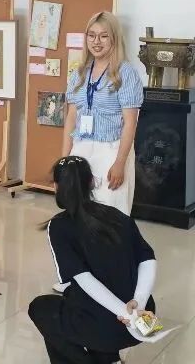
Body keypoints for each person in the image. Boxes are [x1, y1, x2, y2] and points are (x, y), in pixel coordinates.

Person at [29, 156, 157, 364]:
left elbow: (84, 279)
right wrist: (138, 304)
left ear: (56, 187)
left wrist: (124, 313)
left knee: (41, 308)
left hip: (110, 324)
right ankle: (109, 358)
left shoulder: (59, 226)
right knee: (79, 301)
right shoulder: (117, 216)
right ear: (91, 182)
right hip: (144, 318)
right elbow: (148, 258)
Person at [54, 11, 143, 294]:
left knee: (111, 215)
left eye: (104, 36)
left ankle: (116, 279)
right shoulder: (79, 73)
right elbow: (71, 118)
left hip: (111, 148)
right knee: (77, 213)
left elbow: (130, 122)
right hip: (82, 149)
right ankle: (79, 277)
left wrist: (120, 163)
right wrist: (63, 163)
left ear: (114, 39)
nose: (97, 41)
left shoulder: (126, 73)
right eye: (92, 35)